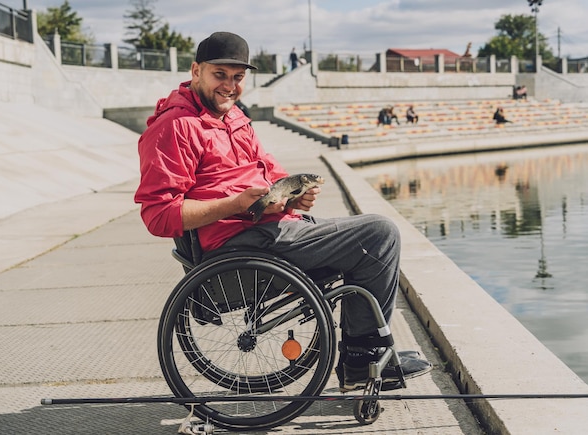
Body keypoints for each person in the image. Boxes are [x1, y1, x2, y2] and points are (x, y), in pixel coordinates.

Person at [134, 31, 431, 391]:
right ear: (196, 71)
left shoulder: (235, 118)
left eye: (238, 77)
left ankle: (361, 356)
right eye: (220, 75)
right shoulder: (176, 127)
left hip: (273, 229)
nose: (229, 86)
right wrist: (236, 204)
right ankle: (363, 359)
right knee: (380, 234)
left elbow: (272, 175)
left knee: (368, 239)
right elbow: (158, 215)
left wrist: (293, 198)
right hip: (240, 245)